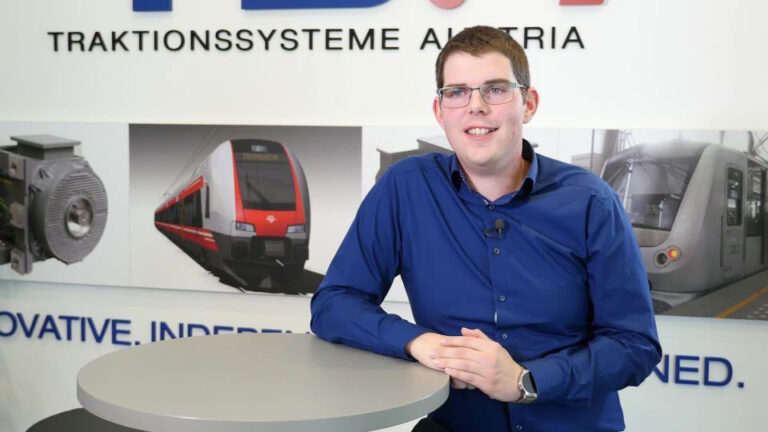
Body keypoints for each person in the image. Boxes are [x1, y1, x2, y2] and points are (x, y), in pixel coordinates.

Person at [310, 25, 661, 432]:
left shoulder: (590, 202)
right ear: (440, 111)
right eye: (457, 92)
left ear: (528, 104)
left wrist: (525, 382)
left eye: (495, 89)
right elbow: (334, 303)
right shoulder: (405, 188)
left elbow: (634, 345)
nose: (475, 106)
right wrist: (419, 342)